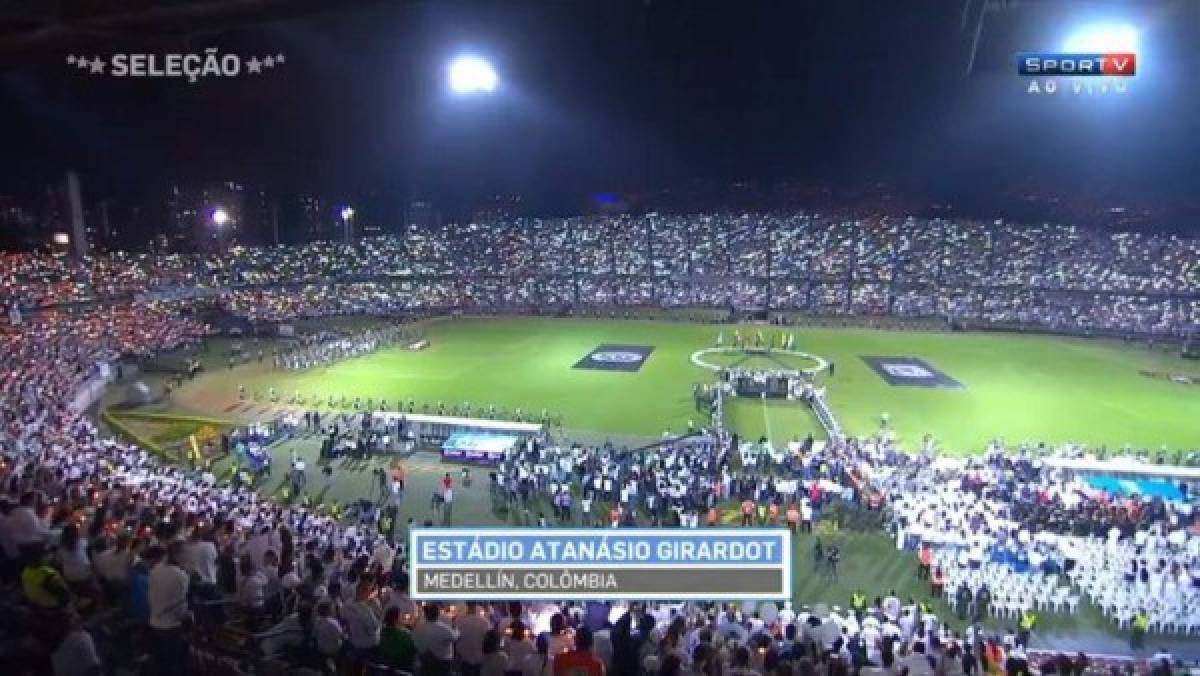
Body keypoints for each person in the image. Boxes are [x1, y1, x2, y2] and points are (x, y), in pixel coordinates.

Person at [379, 606, 417, 672]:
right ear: (396, 619)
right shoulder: (404, 634)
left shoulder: (381, 631)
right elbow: (413, 648)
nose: (403, 618)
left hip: (384, 663)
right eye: (401, 616)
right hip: (401, 665)